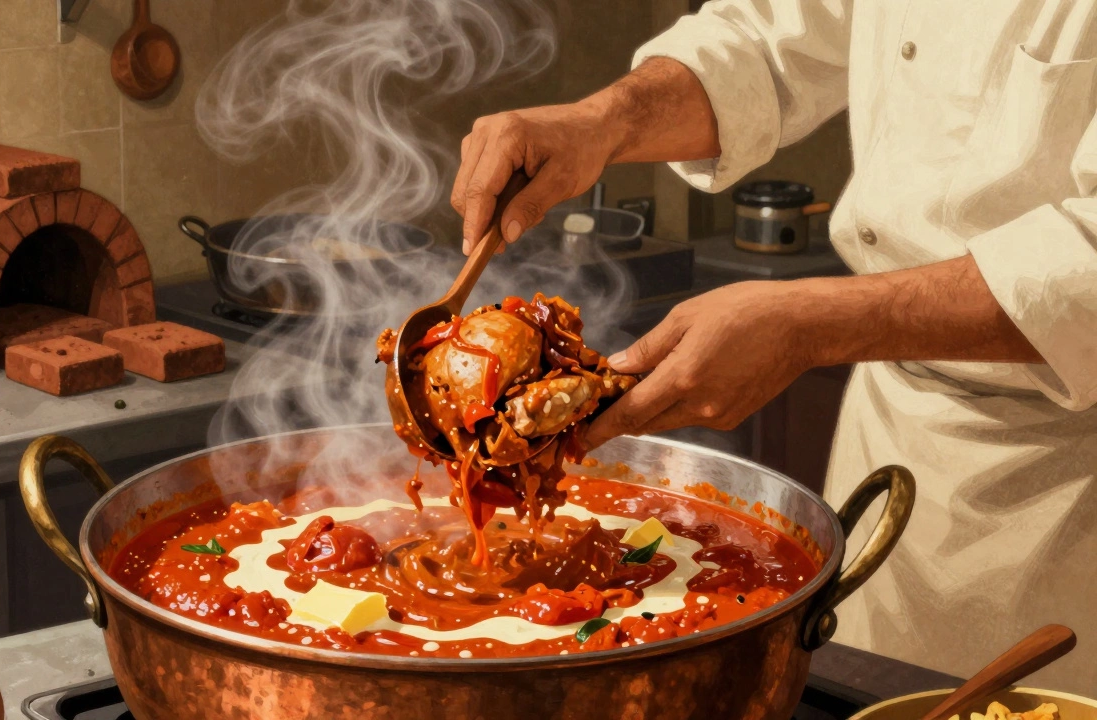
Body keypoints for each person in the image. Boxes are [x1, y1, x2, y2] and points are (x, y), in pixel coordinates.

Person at [451, 0, 1097, 692]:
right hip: (893, 434)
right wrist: (607, 120)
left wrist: (812, 323)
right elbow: (770, 37)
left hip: (1061, 488)